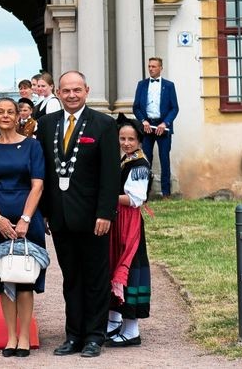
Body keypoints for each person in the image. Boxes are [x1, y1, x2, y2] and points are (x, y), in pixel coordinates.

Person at [37, 71, 120, 358]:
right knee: (71, 278)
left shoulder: (104, 125)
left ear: (87, 90)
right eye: (66, 91)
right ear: (57, 93)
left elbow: (111, 174)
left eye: (77, 90)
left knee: (96, 277)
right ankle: (73, 335)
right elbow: (45, 171)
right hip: (60, 217)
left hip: (93, 217)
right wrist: (45, 211)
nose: (71, 95)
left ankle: (95, 336)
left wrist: (106, 212)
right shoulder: (46, 125)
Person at [0, 98, 45, 358]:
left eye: (10, 112)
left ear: (18, 116)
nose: (6, 116)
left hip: (28, 218)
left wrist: (25, 219)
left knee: (25, 278)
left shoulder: (33, 146)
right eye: (1, 112)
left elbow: (38, 185)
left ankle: (25, 335)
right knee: (4, 277)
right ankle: (11, 336)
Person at [107, 118, 151, 347]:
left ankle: (132, 328)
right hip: (118, 219)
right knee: (114, 263)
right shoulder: (125, 160)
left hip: (129, 222)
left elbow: (135, 198)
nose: (126, 143)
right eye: (122, 138)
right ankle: (114, 320)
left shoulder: (139, 165)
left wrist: (104, 197)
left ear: (140, 141)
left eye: (131, 139)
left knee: (130, 267)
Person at [131, 57, 179, 198]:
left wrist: (165, 124)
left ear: (160, 68)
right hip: (147, 127)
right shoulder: (142, 84)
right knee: (145, 159)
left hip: (163, 127)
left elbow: (174, 108)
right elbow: (136, 107)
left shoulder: (169, 86)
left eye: (154, 66)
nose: (151, 69)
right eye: (149, 66)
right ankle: (144, 193)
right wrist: (143, 121)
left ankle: (166, 193)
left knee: (164, 159)